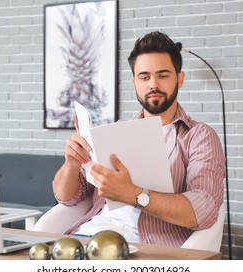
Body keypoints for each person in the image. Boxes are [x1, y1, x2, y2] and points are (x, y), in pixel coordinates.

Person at [52, 31, 225, 248]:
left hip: (143, 246)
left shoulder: (199, 136)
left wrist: (134, 195)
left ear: (179, 79)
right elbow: (67, 199)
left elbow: (204, 210)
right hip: (89, 236)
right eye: (144, 77)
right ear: (134, 82)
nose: (153, 84)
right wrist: (71, 163)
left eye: (163, 75)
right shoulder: (114, 131)